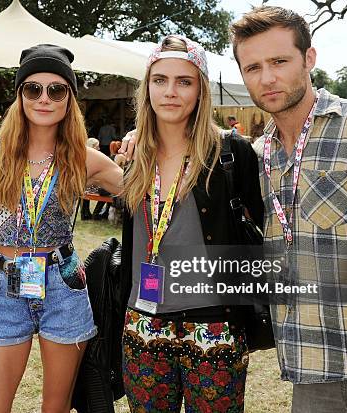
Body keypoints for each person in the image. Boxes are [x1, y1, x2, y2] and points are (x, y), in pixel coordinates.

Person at [230, 6, 347, 412]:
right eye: (253, 67)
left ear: (309, 59)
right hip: (310, 374)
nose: (267, 77)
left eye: (279, 61)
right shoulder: (260, 154)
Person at [0, 44, 123, 412]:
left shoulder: (83, 157)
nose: (44, 98)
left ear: (69, 99)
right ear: (20, 96)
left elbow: (143, 187)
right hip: (4, 289)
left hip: (64, 285)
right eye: (33, 88)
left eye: (56, 89)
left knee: (56, 407)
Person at [119, 35, 263, 412]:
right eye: (159, 80)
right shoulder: (134, 155)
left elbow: (260, 225)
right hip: (143, 323)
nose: (170, 92)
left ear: (201, 90)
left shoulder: (231, 153)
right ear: (146, 87)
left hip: (214, 326)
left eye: (184, 81)